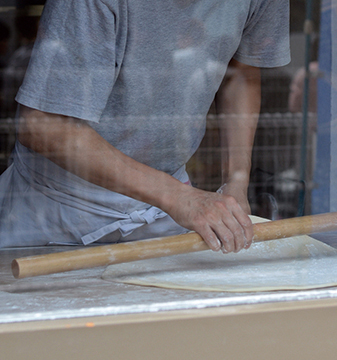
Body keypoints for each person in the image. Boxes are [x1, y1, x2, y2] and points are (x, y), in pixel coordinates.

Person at [0, 0, 290, 252]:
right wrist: (178, 196)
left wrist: (236, 181)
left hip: (168, 209)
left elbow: (241, 73)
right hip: (60, 208)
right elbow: (44, 126)